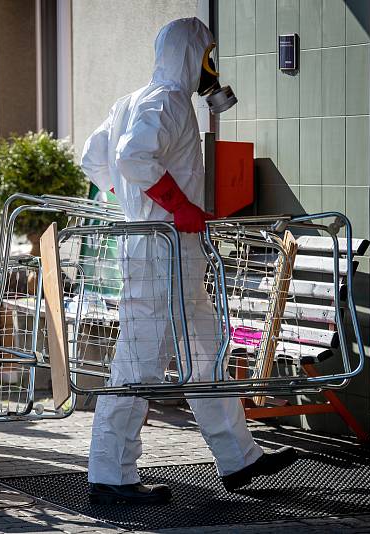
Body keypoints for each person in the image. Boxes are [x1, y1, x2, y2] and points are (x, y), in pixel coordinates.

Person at [80, 17, 297, 505]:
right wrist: (174, 207)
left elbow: (97, 160)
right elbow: (134, 157)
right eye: (209, 58)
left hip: (167, 250)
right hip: (163, 252)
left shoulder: (130, 101)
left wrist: (142, 207)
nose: (212, 69)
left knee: (206, 352)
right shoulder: (170, 101)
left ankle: (239, 459)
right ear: (192, 56)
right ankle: (110, 476)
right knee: (138, 363)